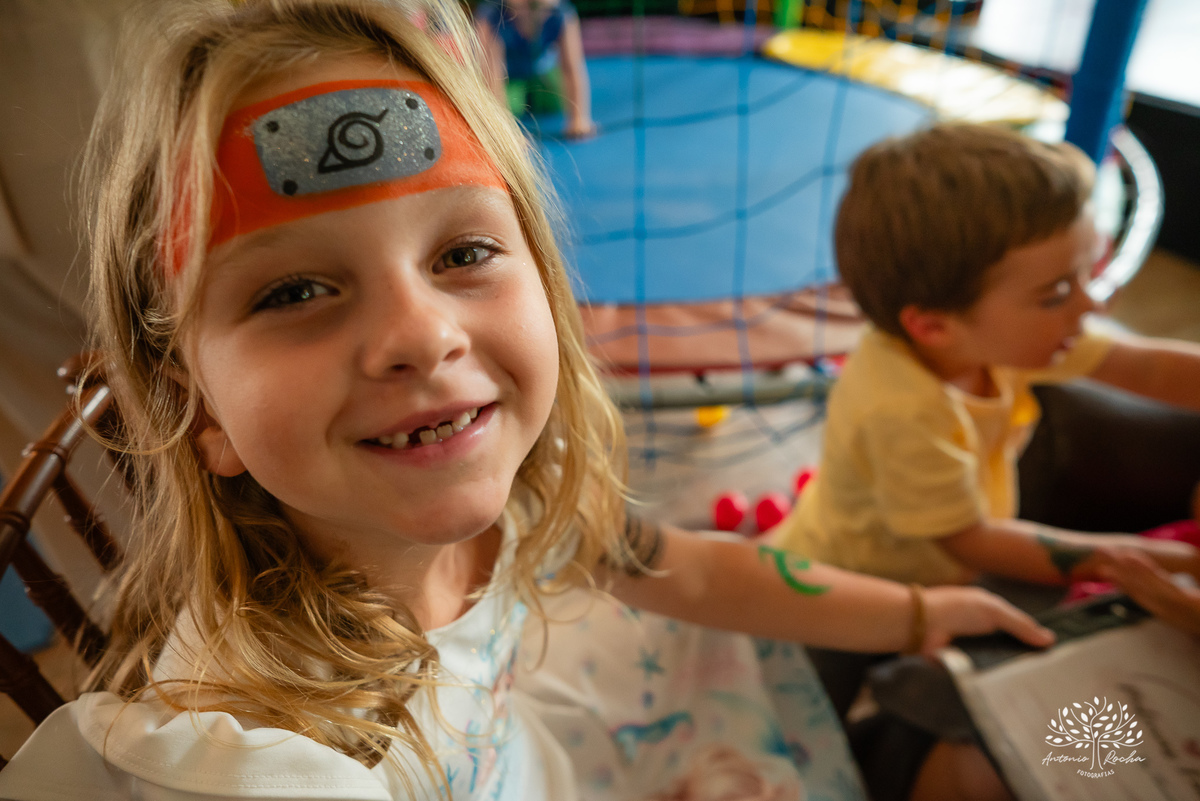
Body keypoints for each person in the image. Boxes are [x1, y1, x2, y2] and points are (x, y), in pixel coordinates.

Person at [0, 6, 1050, 800]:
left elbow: (676, 563)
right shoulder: (266, 767)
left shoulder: (520, 500)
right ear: (200, 416)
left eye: (462, 252)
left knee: (1035, 741)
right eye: (294, 292)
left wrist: (923, 610)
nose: (422, 334)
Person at [772, 123, 1200, 593]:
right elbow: (970, 541)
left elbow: (1148, 367)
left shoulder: (1006, 335)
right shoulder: (901, 410)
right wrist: (1142, 558)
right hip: (863, 585)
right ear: (934, 326)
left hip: (947, 547)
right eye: (1057, 292)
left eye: (1085, 272)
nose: (1091, 306)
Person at [475, 0, 596, 138]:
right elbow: (491, 77)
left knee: (556, 102)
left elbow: (572, 68)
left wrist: (578, 118)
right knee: (514, 105)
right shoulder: (492, 16)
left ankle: (532, 95)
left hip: (540, 72)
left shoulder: (561, 14)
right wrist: (506, 132)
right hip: (509, 78)